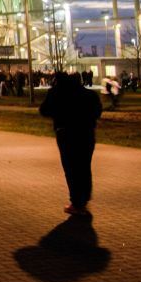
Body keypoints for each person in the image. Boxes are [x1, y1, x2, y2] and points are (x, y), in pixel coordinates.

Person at [41, 71, 102, 215]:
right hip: (86, 134)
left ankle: (76, 202)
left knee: (71, 168)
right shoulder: (90, 95)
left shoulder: (57, 94)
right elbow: (98, 112)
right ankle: (84, 199)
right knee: (84, 167)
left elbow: (44, 110)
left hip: (66, 134)